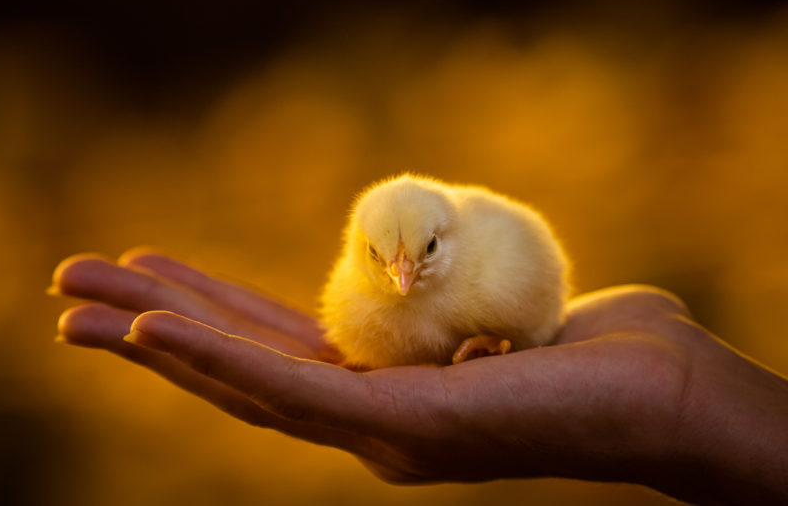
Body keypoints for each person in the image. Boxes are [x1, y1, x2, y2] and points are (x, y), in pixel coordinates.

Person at [50, 248, 788, 505]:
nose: (401, 278)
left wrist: (685, 405)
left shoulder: (491, 271)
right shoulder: (372, 290)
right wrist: (691, 406)